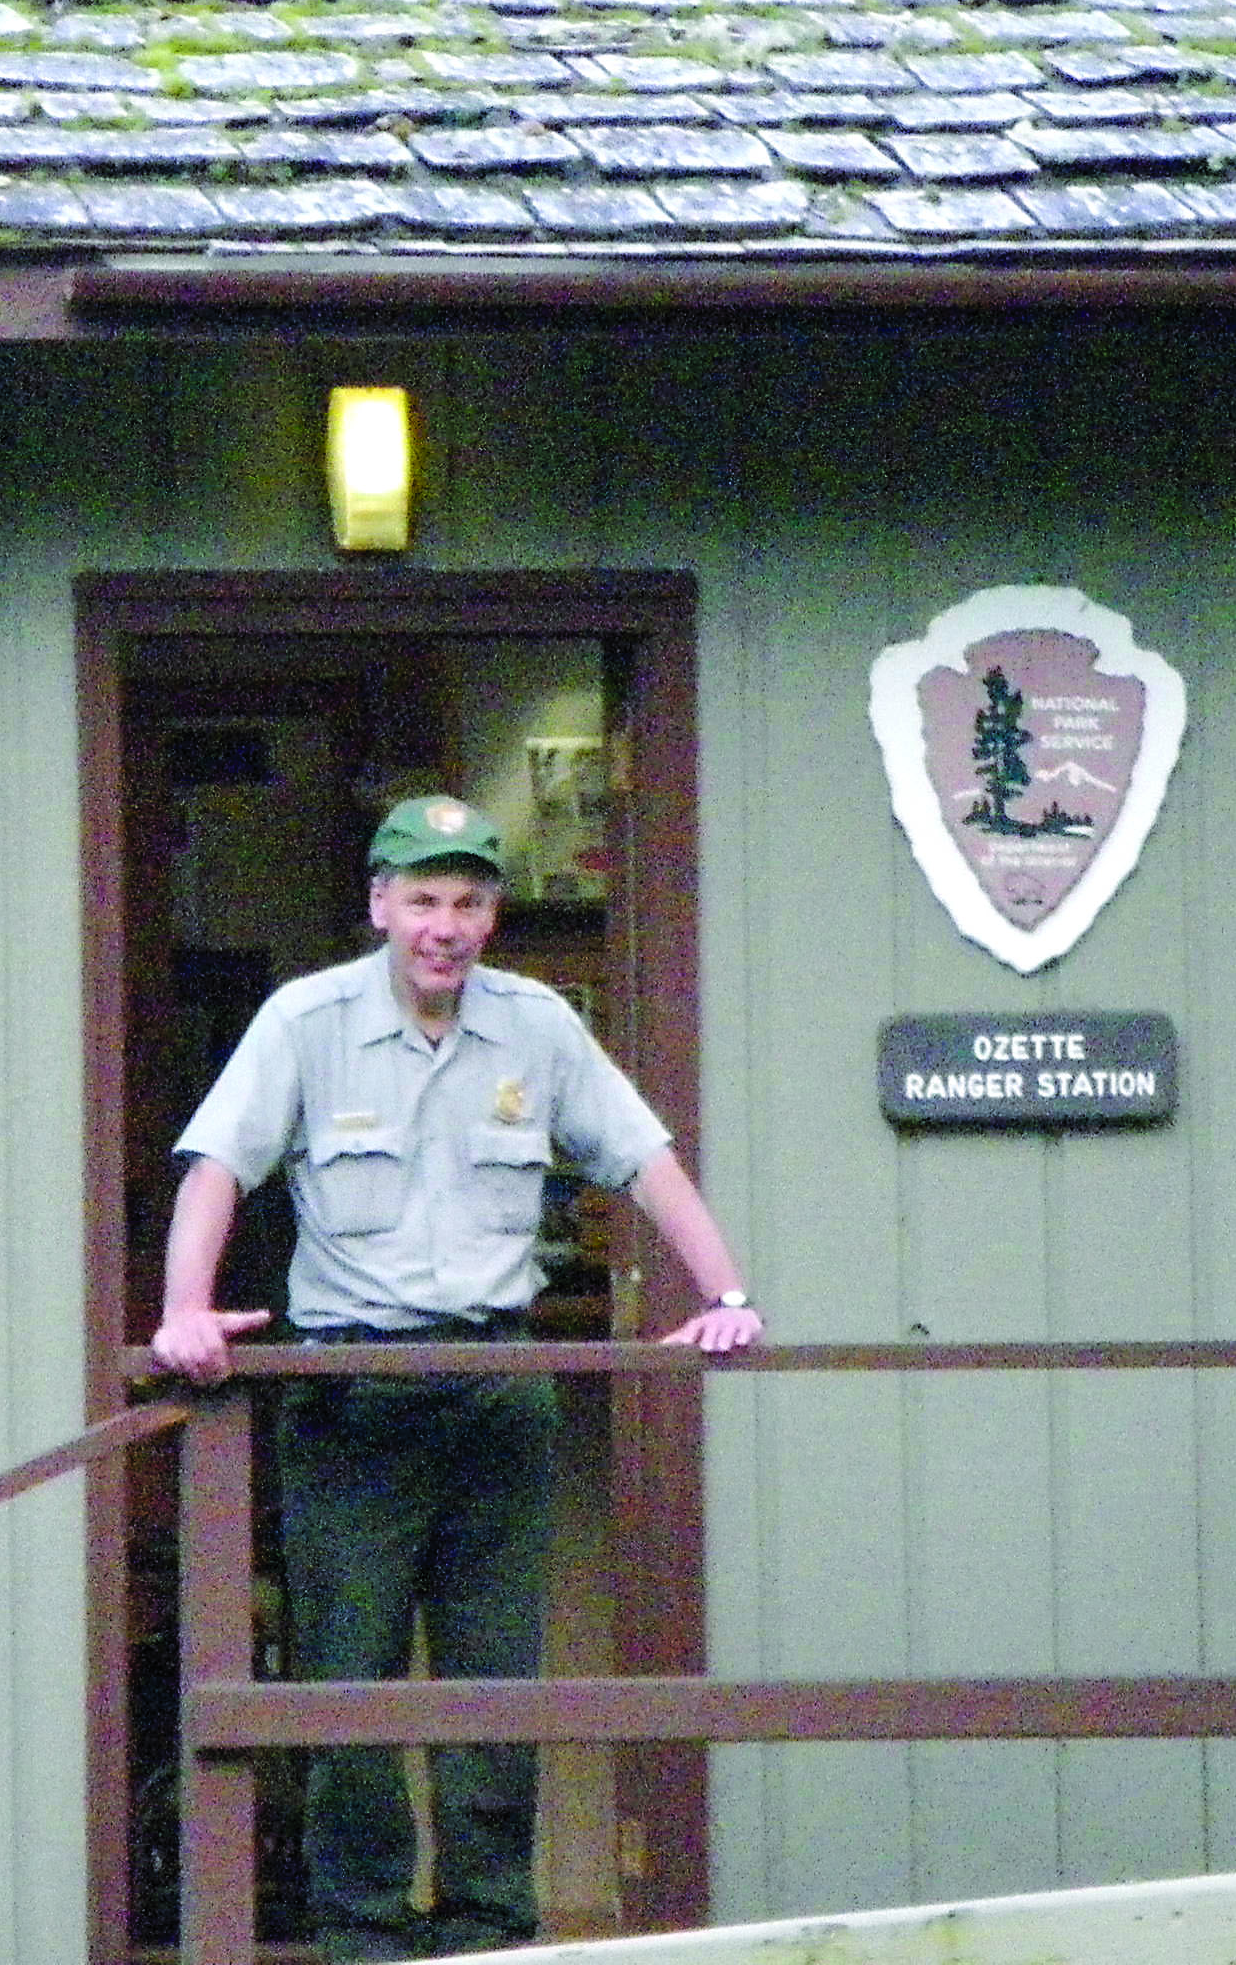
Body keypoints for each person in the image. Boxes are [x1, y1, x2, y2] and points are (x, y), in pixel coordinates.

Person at [153, 792, 762, 1963]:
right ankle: (364, 1935)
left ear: (492, 916)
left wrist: (724, 1295)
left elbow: (642, 1158)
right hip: (354, 1391)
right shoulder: (306, 1021)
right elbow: (217, 1166)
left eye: (470, 902)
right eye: (424, 899)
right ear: (380, 905)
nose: (445, 926)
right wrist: (185, 1310)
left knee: (496, 1679)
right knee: (351, 1678)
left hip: (495, 1381)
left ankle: (490, 1929)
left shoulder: (536, 1025)